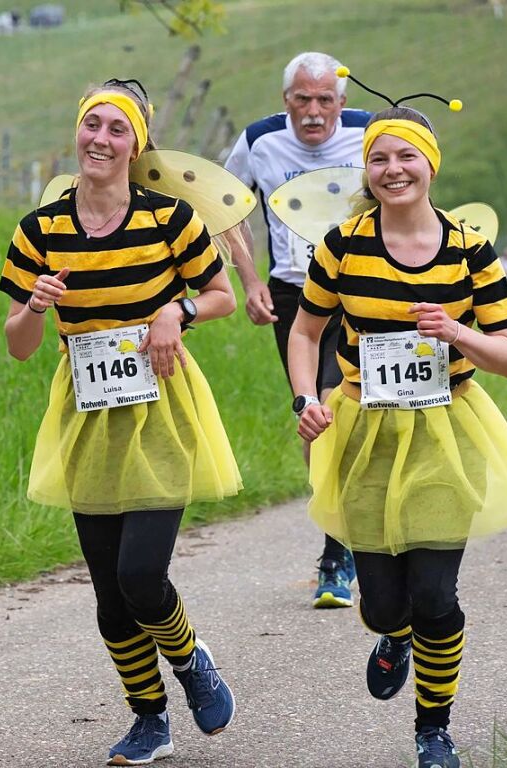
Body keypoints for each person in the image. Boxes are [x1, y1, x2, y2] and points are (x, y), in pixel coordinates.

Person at [286, 70, 507, 768]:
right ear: (366, 169)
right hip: (366, 434)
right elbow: (307, 331)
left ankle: (432, 729)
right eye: (379, 157)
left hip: (444, 431)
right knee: (383, 605)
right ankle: (392, 633)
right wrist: (306, 399)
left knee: (436, 596)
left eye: (405, 155)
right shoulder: (342, 245)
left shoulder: (470, 249)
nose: (392, 168)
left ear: (429, 165)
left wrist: (458, 335)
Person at [0, 78, 240, 766]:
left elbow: (218, 294)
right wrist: (35, 308)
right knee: (109, 595)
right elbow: (17, 345)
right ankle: (149, 719)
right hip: (87, 413)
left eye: (117, 129)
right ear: (78, 132)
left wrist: (176, 312)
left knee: (141, 574)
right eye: (92, 125)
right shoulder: (39, 230)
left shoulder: (168, 220)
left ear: (136, 147)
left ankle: (191, 660)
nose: (100, 139)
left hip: (161, 408)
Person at [223, 51, 371, 608]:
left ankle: (345, 549)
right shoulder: (260, 140)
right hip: (292, 293)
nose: (313, 113)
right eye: (302, 101)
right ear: (285, 100)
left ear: (343, 102)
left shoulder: (366, 133)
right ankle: (342, 542)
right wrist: (249, 279)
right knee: (315, 416)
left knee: (344, 407)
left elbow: (408, 178)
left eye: (324, 101)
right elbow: (227, 205)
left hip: (361, 290)